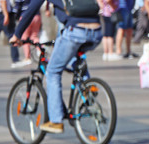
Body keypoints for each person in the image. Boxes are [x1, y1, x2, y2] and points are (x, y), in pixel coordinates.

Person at [11, 0, 103, 134]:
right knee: (72, 55)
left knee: (53, 71)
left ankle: (56, 120)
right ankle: (86, 86)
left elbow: (32, 9)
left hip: (75, 30)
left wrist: (17, 34)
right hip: (96, 31)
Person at [0, 0, 21, 67]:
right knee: (12, 37)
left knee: (11, 35)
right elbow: (3, 1)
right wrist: (6, 15)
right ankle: (15, 59)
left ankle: (15, 59)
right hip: (2, 14)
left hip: (2, 13)